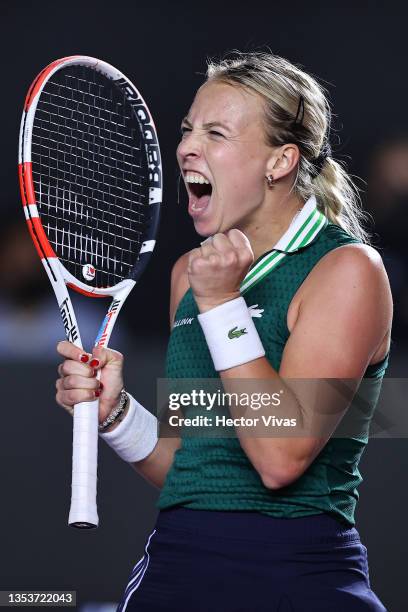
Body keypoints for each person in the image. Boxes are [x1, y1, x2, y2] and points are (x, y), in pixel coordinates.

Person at [56, 52, 392, 611]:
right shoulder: (187, 276)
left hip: (303, 572)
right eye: (188, 130)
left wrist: (220, 302)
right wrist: (117, 415)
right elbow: (194, 468)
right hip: (176, 567)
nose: (187, 146)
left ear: (281, 160)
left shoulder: (348, 270)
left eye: (216, 132)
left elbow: (280, 458)